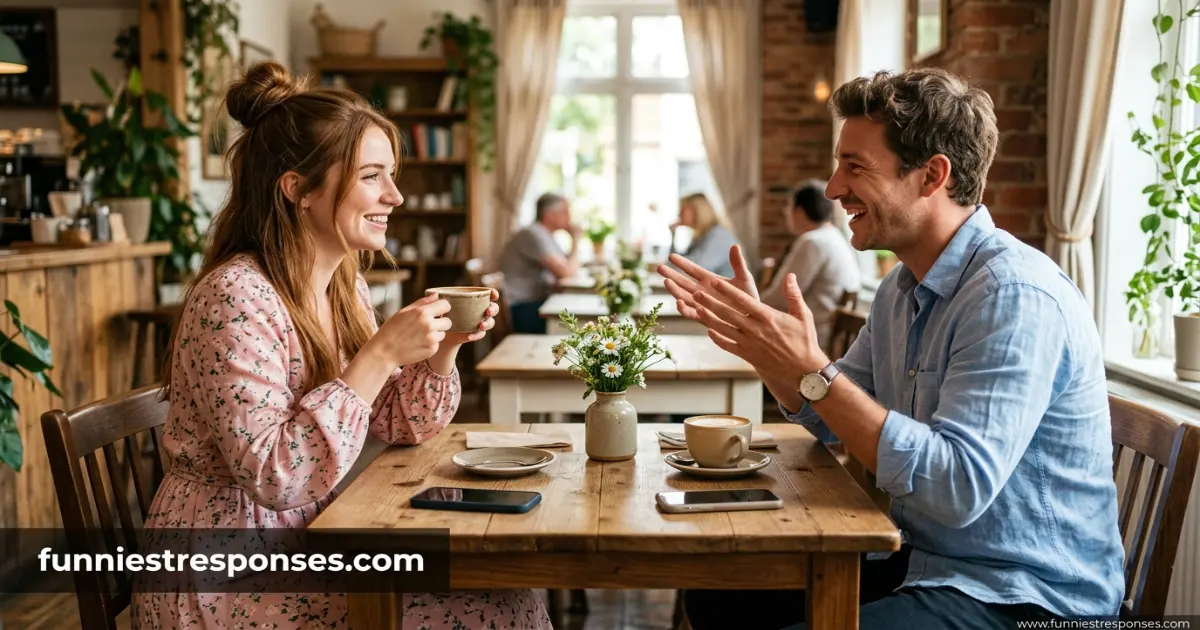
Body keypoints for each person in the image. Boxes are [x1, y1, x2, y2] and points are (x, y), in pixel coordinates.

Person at [658, 68, 1123, 629]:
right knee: (716, 594)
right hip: (924, 561)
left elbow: (957, 487)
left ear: (932, 175)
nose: (832, 189)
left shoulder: (1012, 296)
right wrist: (769, 351)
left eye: (854, 167)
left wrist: (813, 370)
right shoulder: (900, 289)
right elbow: (830, 417)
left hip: (1026, 595)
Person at [132, 61, 552, 629]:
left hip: (314, 535)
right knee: (489, 603)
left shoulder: (342, 286)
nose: (396, 196)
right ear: (298, 189)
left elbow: (399, 425)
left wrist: (443, 348)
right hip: (225, 574)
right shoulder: (234, 298)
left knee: (508, 592)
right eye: (372, 176)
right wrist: (377, 355)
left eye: (392, 175)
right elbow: (277, 476)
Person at [759, 179, 860, 353]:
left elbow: (780, 299)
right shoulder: (835, 236)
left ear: (799, 211)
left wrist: (750, 303)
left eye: (788, 206)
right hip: (826, 337)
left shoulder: (813, 241)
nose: (785, 212)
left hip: (811, 340)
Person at [497, 192, 582, 333]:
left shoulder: (545, 235)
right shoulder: (533, 234)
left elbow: (567, 268)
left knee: (577, 317)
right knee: (576, 327)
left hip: (535, 302)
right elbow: (566, 273)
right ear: (550, 215)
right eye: (565, 212)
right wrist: (576, 240)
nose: (569, 217)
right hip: (522, 308)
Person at [669, 192, 741, 277]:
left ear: (697, 210)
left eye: (683, 210)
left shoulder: (719, 235)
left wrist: (666, 268)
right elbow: (679, 260)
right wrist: (673, 234)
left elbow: (697, 268)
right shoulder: (702, 236)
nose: (679, 214)